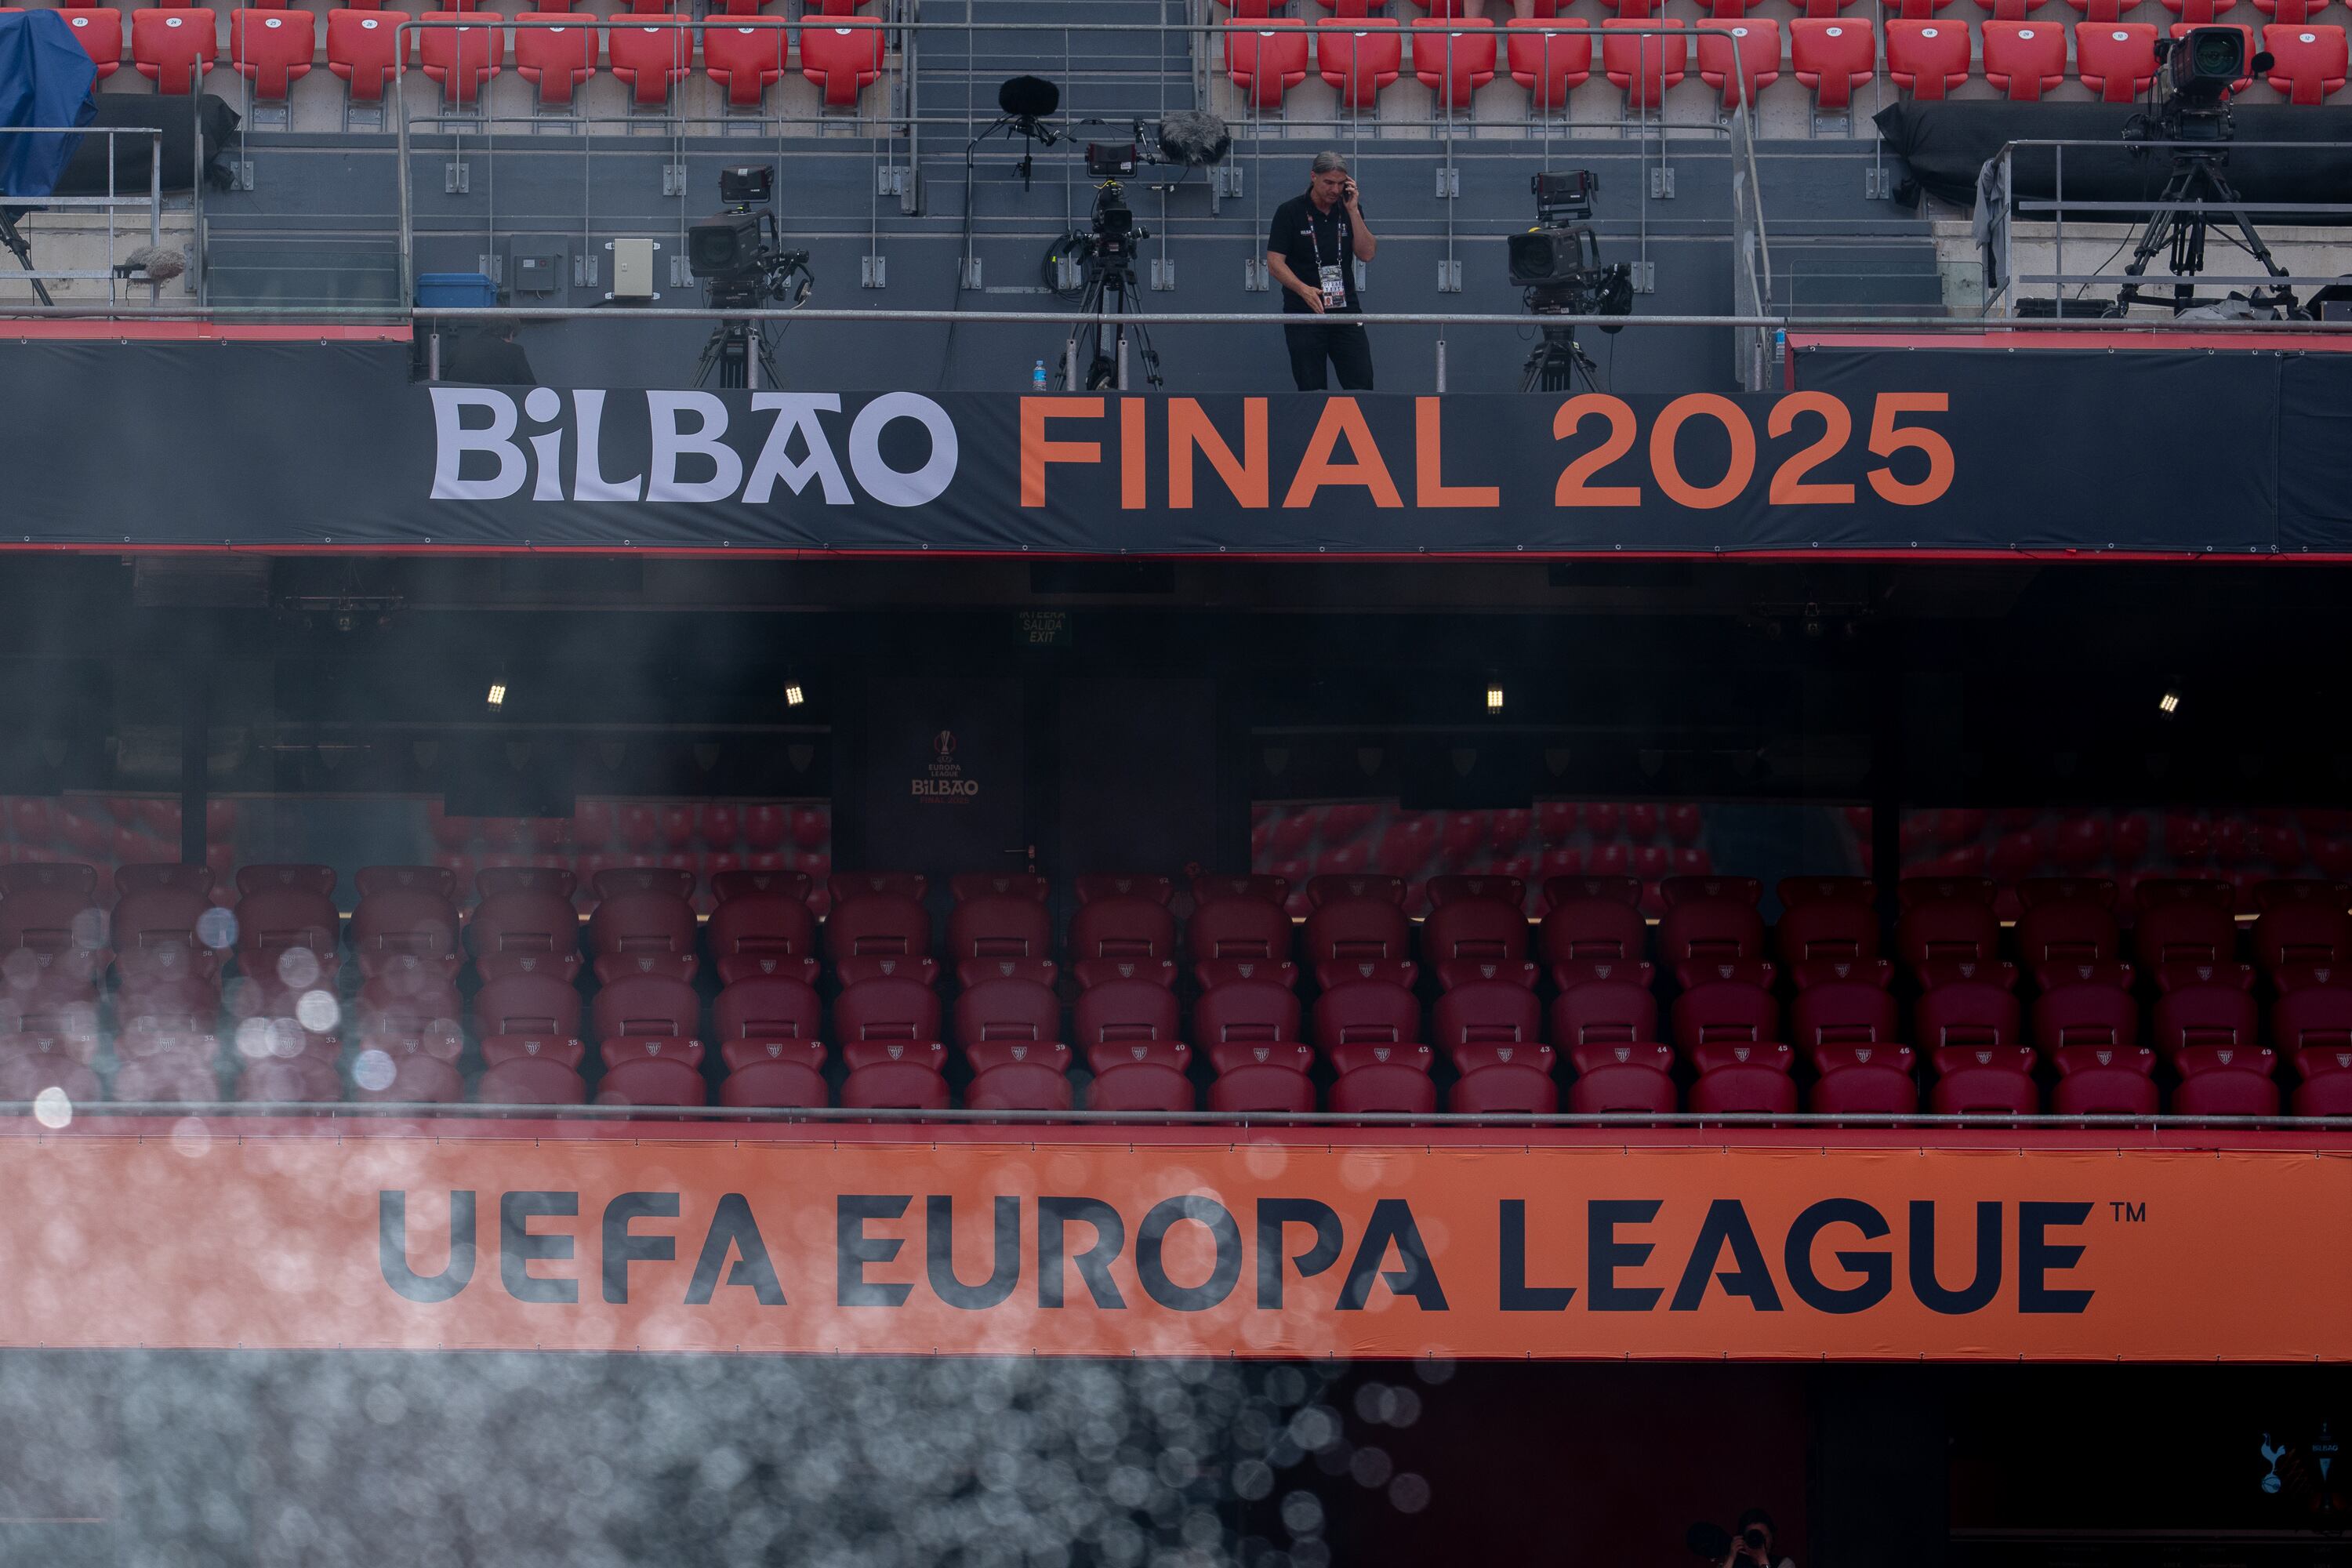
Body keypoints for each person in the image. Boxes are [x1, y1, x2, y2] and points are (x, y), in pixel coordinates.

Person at [1265, 151, 1377, 391]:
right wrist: (1303, 290)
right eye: (1329, 182)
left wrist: (1353, 211)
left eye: (1341, 183)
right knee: (1312, 387)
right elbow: (1275, 263)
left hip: (1345, 310)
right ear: (1313, 177)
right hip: (1304, 310)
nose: (1335, 190)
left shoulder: (1349, 209)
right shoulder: (1290, 211)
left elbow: (1367, 254)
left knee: (1362, 382)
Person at [1720, 1508, 1795, 1568]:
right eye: (1752, 1536)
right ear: (1743, 1539)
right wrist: (1731, 1557)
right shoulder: (1732, 1562)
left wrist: (1762, 1560)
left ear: (1772, 1538)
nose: (1757, 1540)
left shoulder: (1784, 1563)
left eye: (1763, 1536)